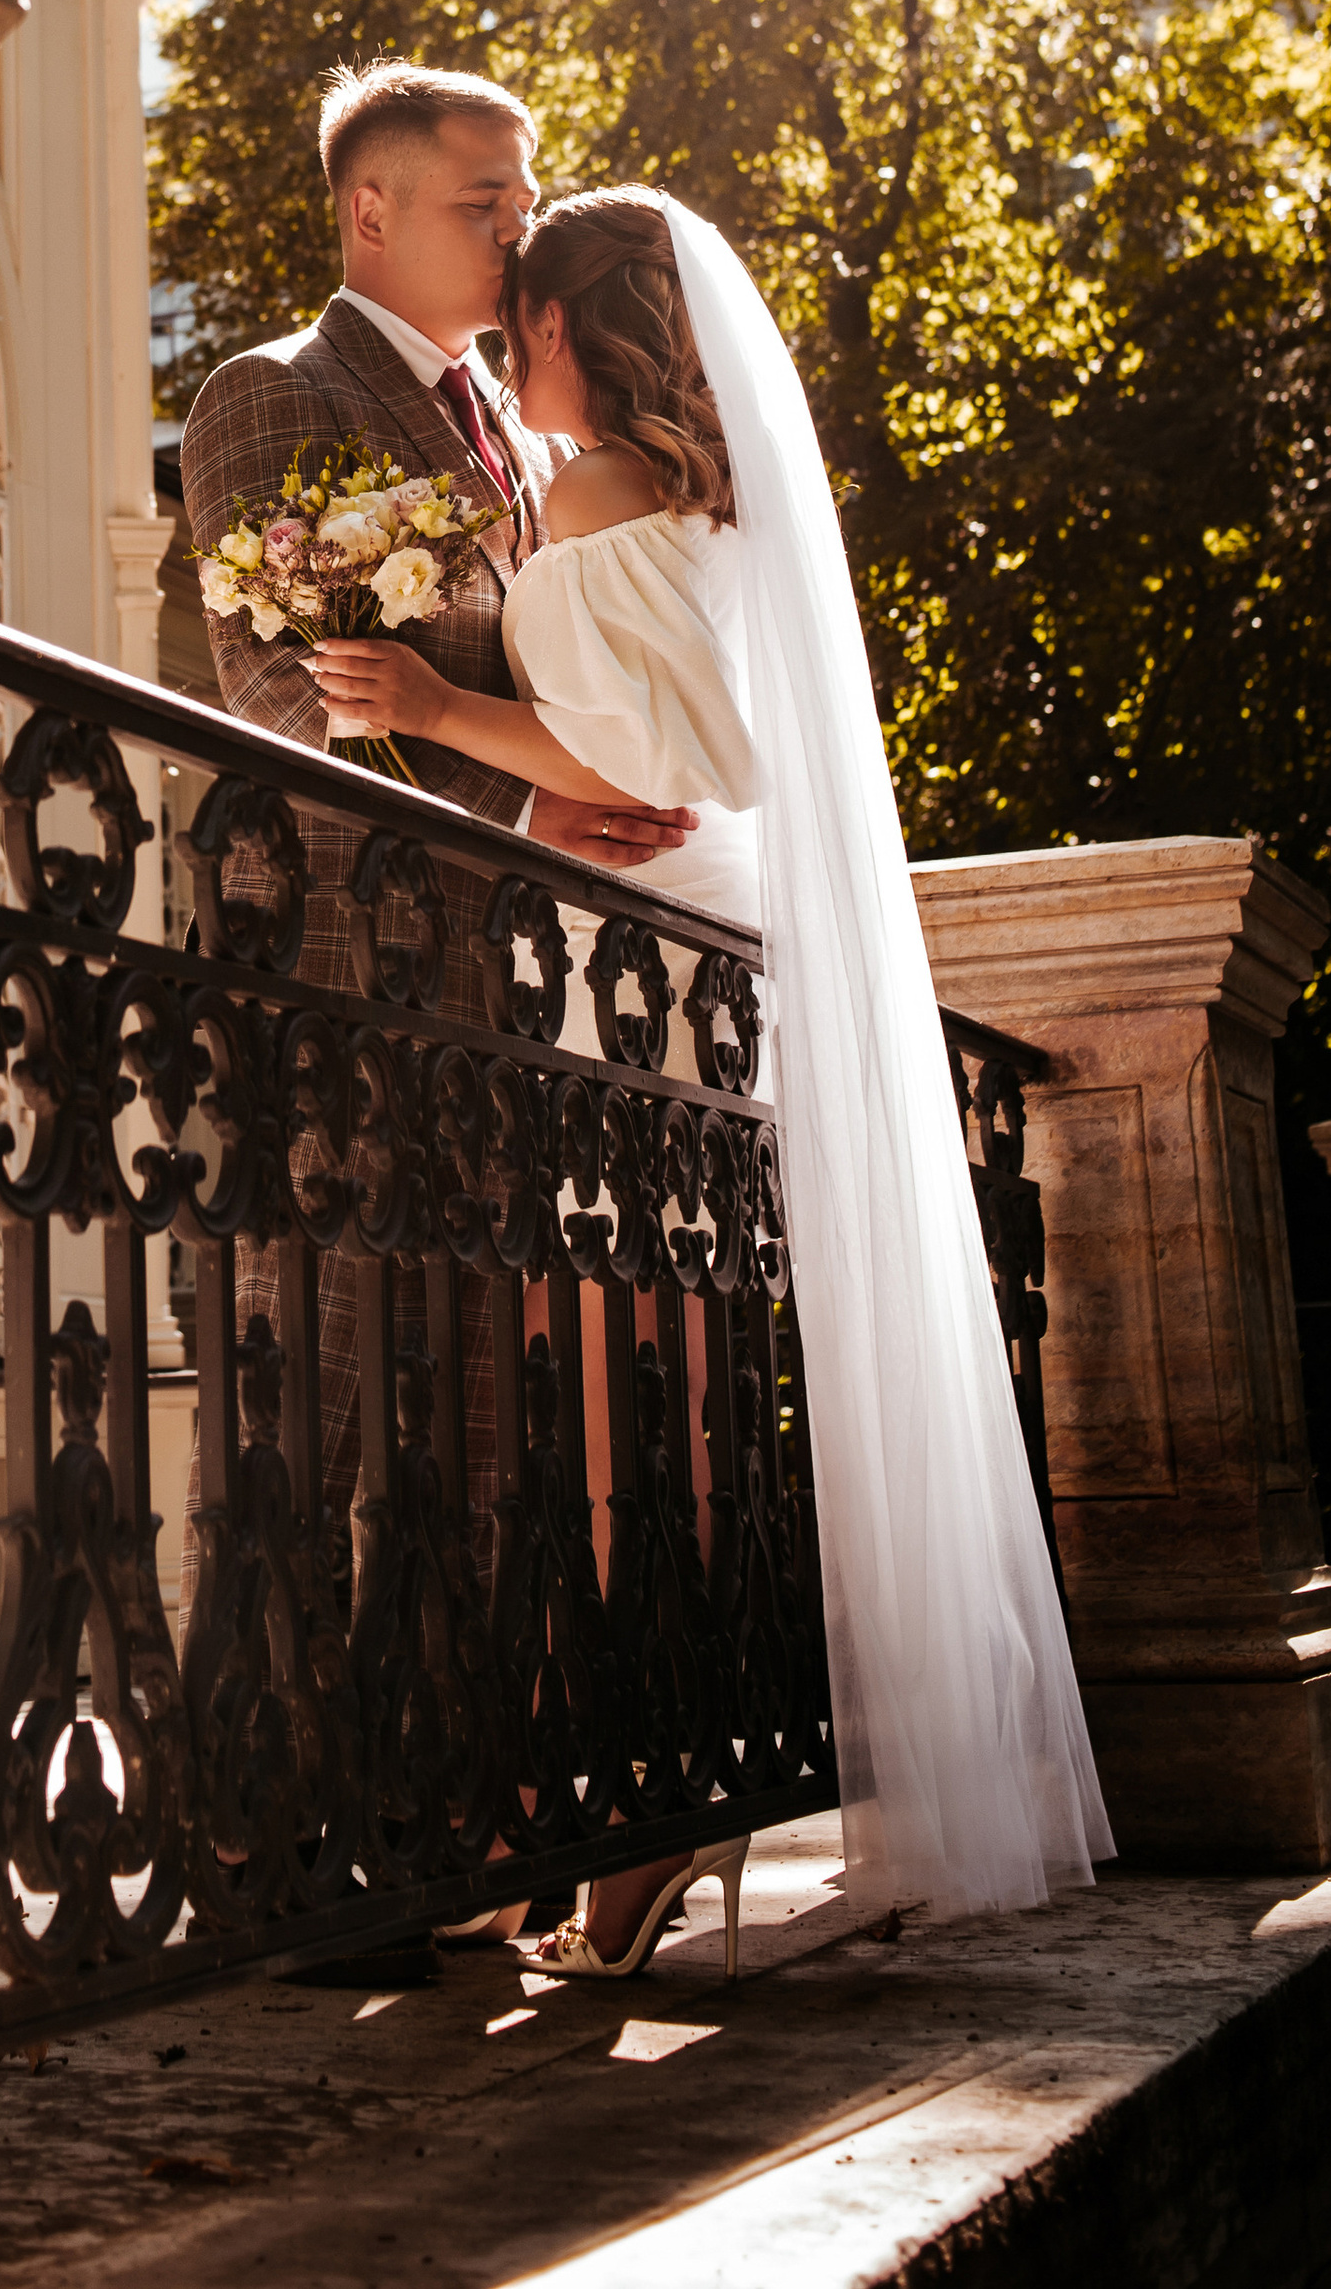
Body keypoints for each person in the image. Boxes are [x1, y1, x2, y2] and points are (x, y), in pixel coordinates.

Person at [313, 185, 1112, 1966]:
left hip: (635, 983)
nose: (513, 354)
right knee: (676, 1408)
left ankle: (628, 1816)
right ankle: (638, 1805)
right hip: (734, 986)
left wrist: (435, 714)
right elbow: (720, 755)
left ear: (588, 336)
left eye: (528, 325)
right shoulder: (728, 515)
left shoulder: (597, 501)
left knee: (609, 1424)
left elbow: (637, 761)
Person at [179, 68, 696, 1571]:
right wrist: (532, 792)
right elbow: (279, 696)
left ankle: (444, 1787)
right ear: (371, 209)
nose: (519, 229)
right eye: (487, 203)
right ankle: (247, 1787)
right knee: (303, 1404)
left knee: (480, 1430)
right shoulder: (271, 392)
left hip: (528, 993)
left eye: (528, 199)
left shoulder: (544, 441)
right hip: (340, 978)